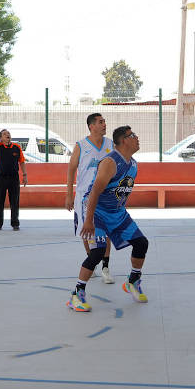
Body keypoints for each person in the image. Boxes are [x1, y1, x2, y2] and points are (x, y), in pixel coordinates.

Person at [69, 125, 150, 311]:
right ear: (123, 140)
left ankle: (133, 281)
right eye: (133, 135)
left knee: (141, 243)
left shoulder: (133, 164)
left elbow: (119, 193)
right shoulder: (110, 162)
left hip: (117, 212)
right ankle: (77, 294)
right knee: (97, 252)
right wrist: (89, 220)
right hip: (97, 211)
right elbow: (95, 192)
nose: (137, 138)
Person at [65, 112, 115, 283]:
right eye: (101, 122)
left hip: (105, 195)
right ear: (91, 126)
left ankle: (106, 268)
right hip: (83, 196)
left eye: (104, 122)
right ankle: (90, 261)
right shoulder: (81, 145)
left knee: (106, 231)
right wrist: (68, 195)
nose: (104, 124)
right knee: (86, 231)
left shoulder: (110, 144)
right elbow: (71, 169)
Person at [0, 115, 27, 231]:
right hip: (1, 178)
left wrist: (25, 175)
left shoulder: (17, 147)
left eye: (8, 133)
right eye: (5, 134)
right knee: (0, 201)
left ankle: (15, 223)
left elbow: (22, 162)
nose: (7, 135)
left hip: (14, 178)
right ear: (1, 138)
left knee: (15, 201)